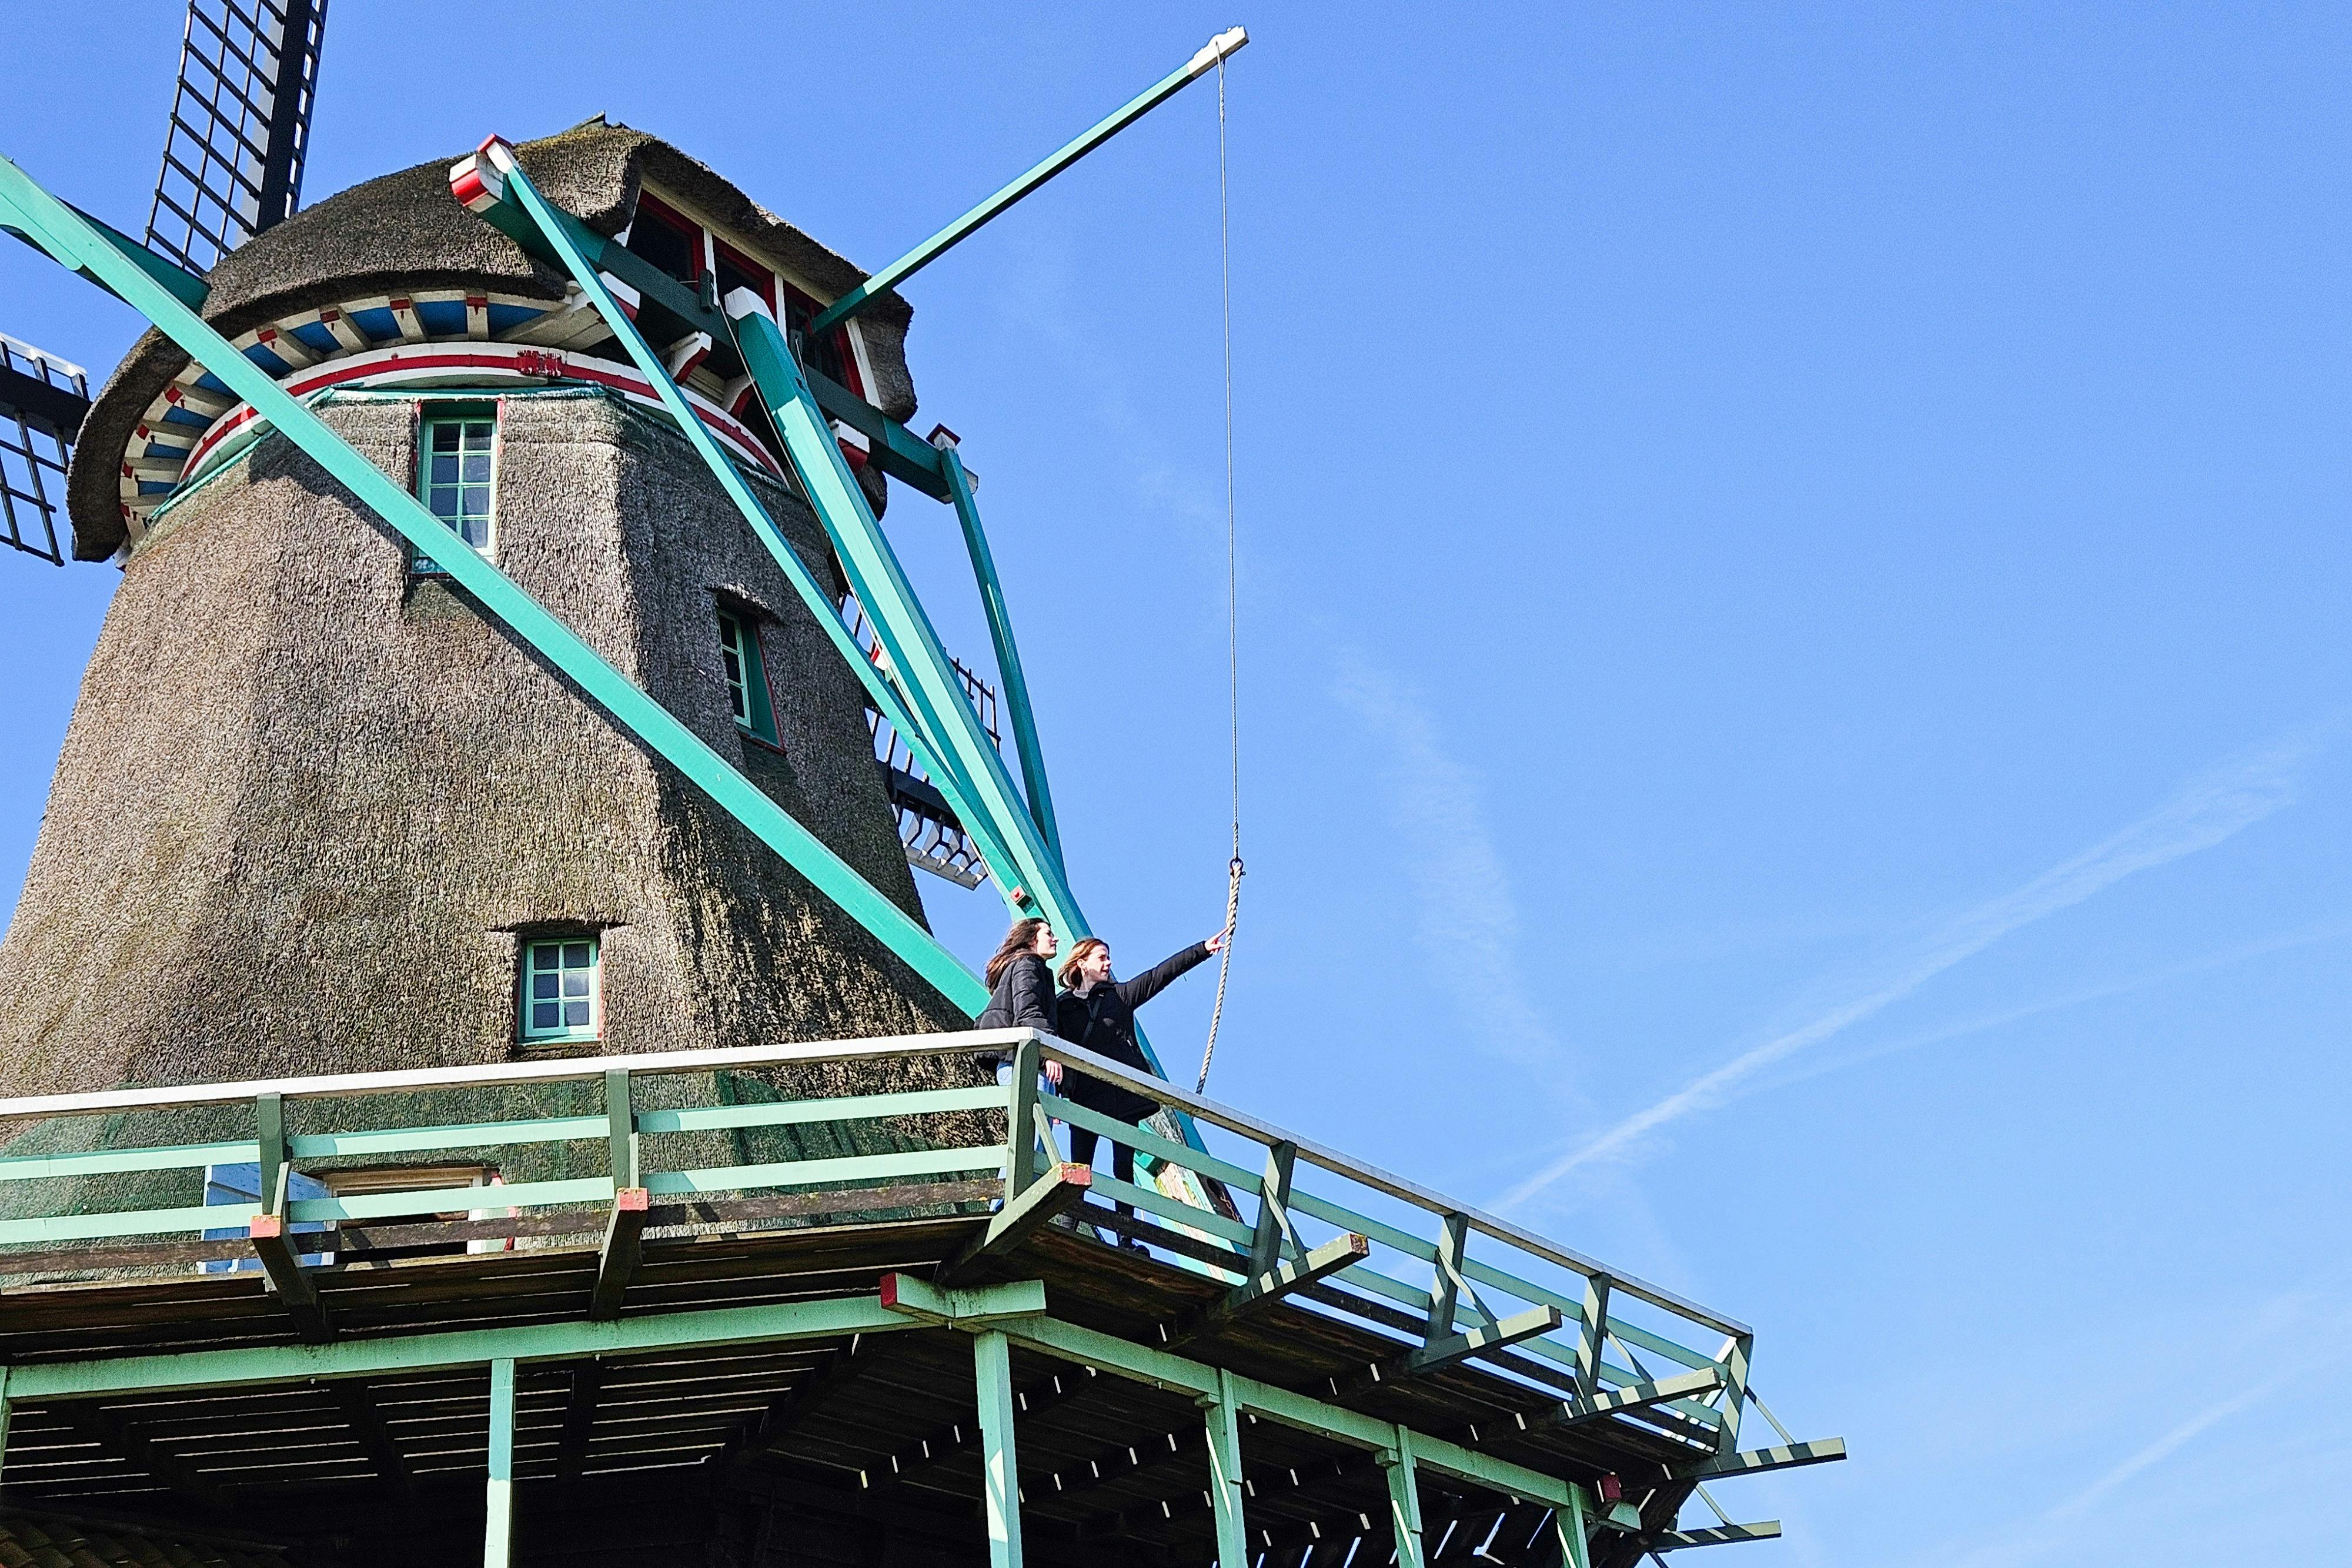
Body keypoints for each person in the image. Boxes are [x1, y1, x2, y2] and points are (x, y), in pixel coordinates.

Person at [1050, 929, 1227, 1238]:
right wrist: (1056, 1093)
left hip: (1122, 1097)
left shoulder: (1119, 997)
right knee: (1079, 1166)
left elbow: (1161, 974)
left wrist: (1201, 949)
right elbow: (1051, 1047)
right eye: (1102, 958)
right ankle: (1067, 1230)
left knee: (1123, 1170)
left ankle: (1126, 1238)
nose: (1109, 963)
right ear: (1081, 963)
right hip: (1086, 1096)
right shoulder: (1062, 1007)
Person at [976, 917, 1057, 1035]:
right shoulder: (1028, 964)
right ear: (1031, 940)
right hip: (1010, 1048)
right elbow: (1027, 1012)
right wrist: (1053, 1042)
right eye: (1049, 934)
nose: (1055, 939)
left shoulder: (1025, 965)